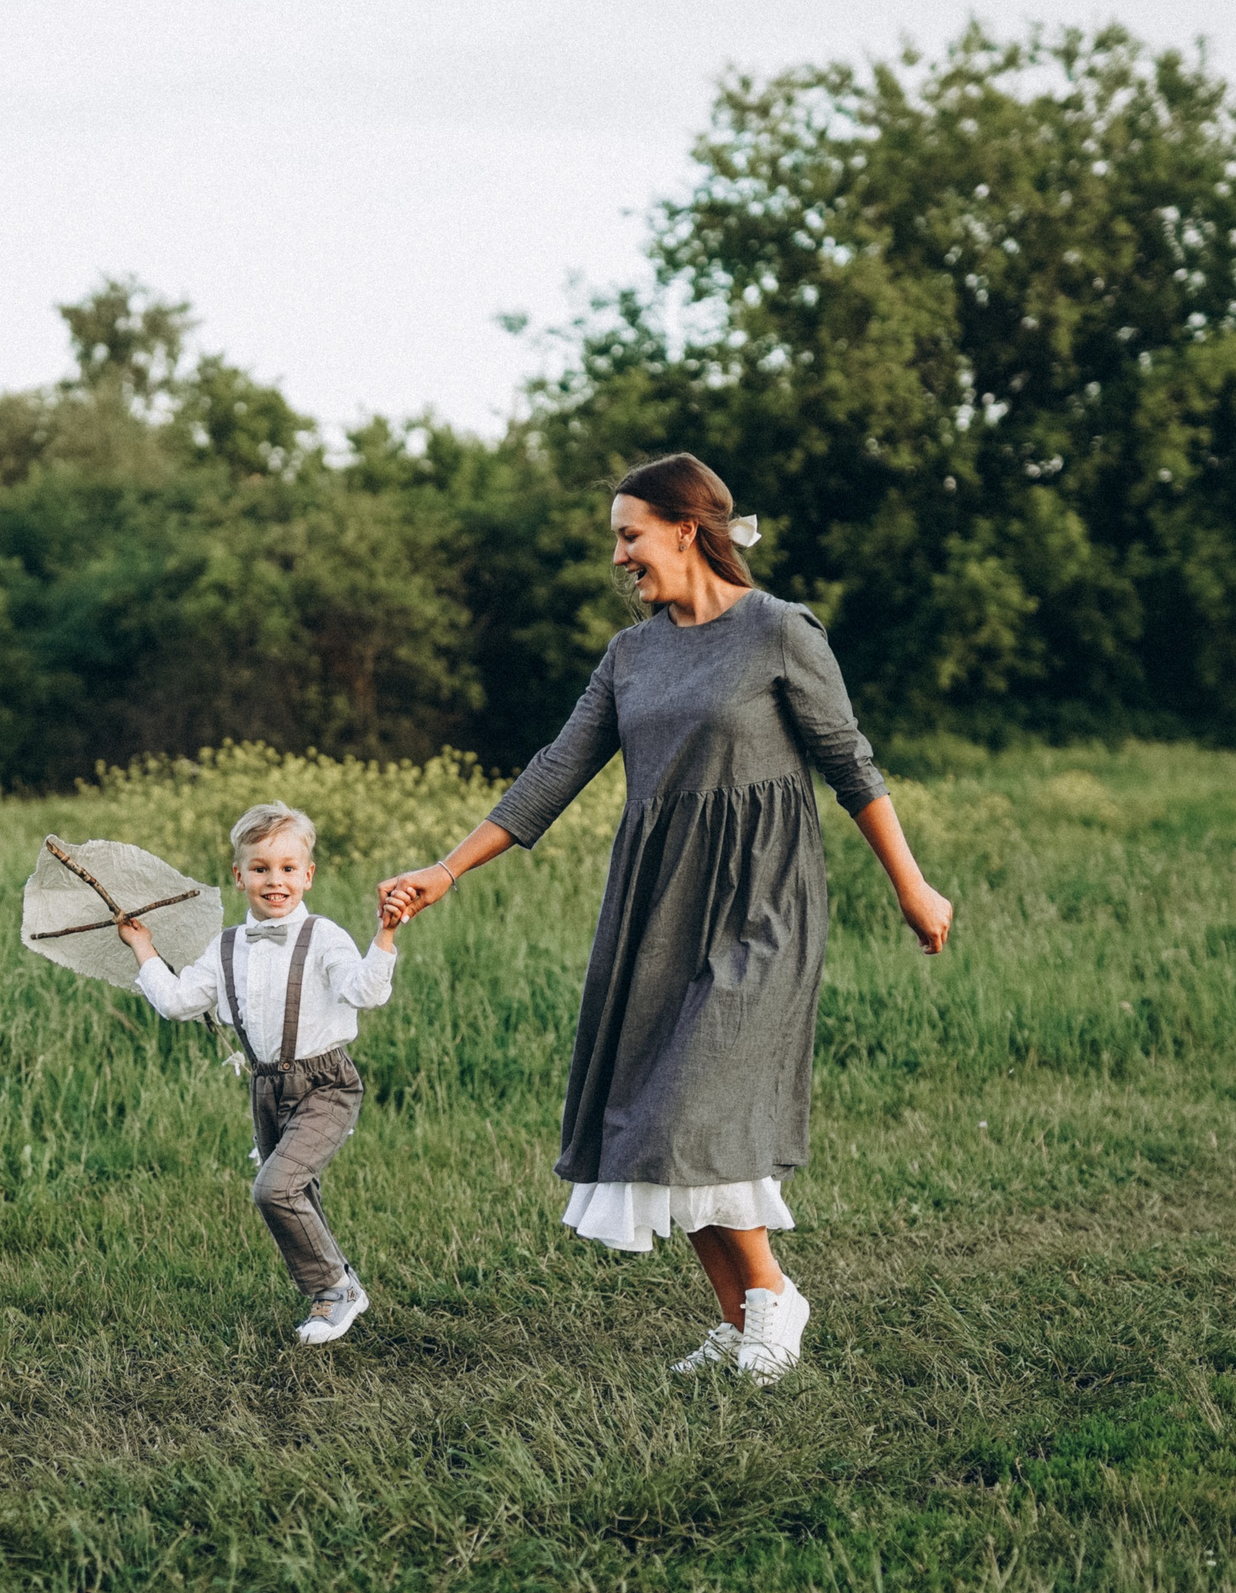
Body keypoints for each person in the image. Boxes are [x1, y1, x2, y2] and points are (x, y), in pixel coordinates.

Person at [378, 453, 952, 1380]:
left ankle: (774, 1296)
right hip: (658, 905)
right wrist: (448, 869)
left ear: (686, 529)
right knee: (651, 1119)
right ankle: (738, 1318)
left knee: (694, 1103)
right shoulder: (631, 654)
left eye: (629, 534)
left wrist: (910, 884)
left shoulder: (778, 632)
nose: (618, 557)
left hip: (763, 899)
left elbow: (852, 765)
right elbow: (556, 769)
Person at [120, 801, 401, 1346]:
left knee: (275, 1189)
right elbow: (178, 1002)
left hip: (326, 1084)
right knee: (301, 1193)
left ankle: (334, 1291)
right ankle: (341, 1284)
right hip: (266, 1087)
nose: (276, 881)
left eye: (289, 868)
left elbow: (366, 992)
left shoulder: (324, 936)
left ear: (308, 875)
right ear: (239, 875)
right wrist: (143, 948)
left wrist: (385, 935)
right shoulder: (224, 947)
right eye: (261, 869)